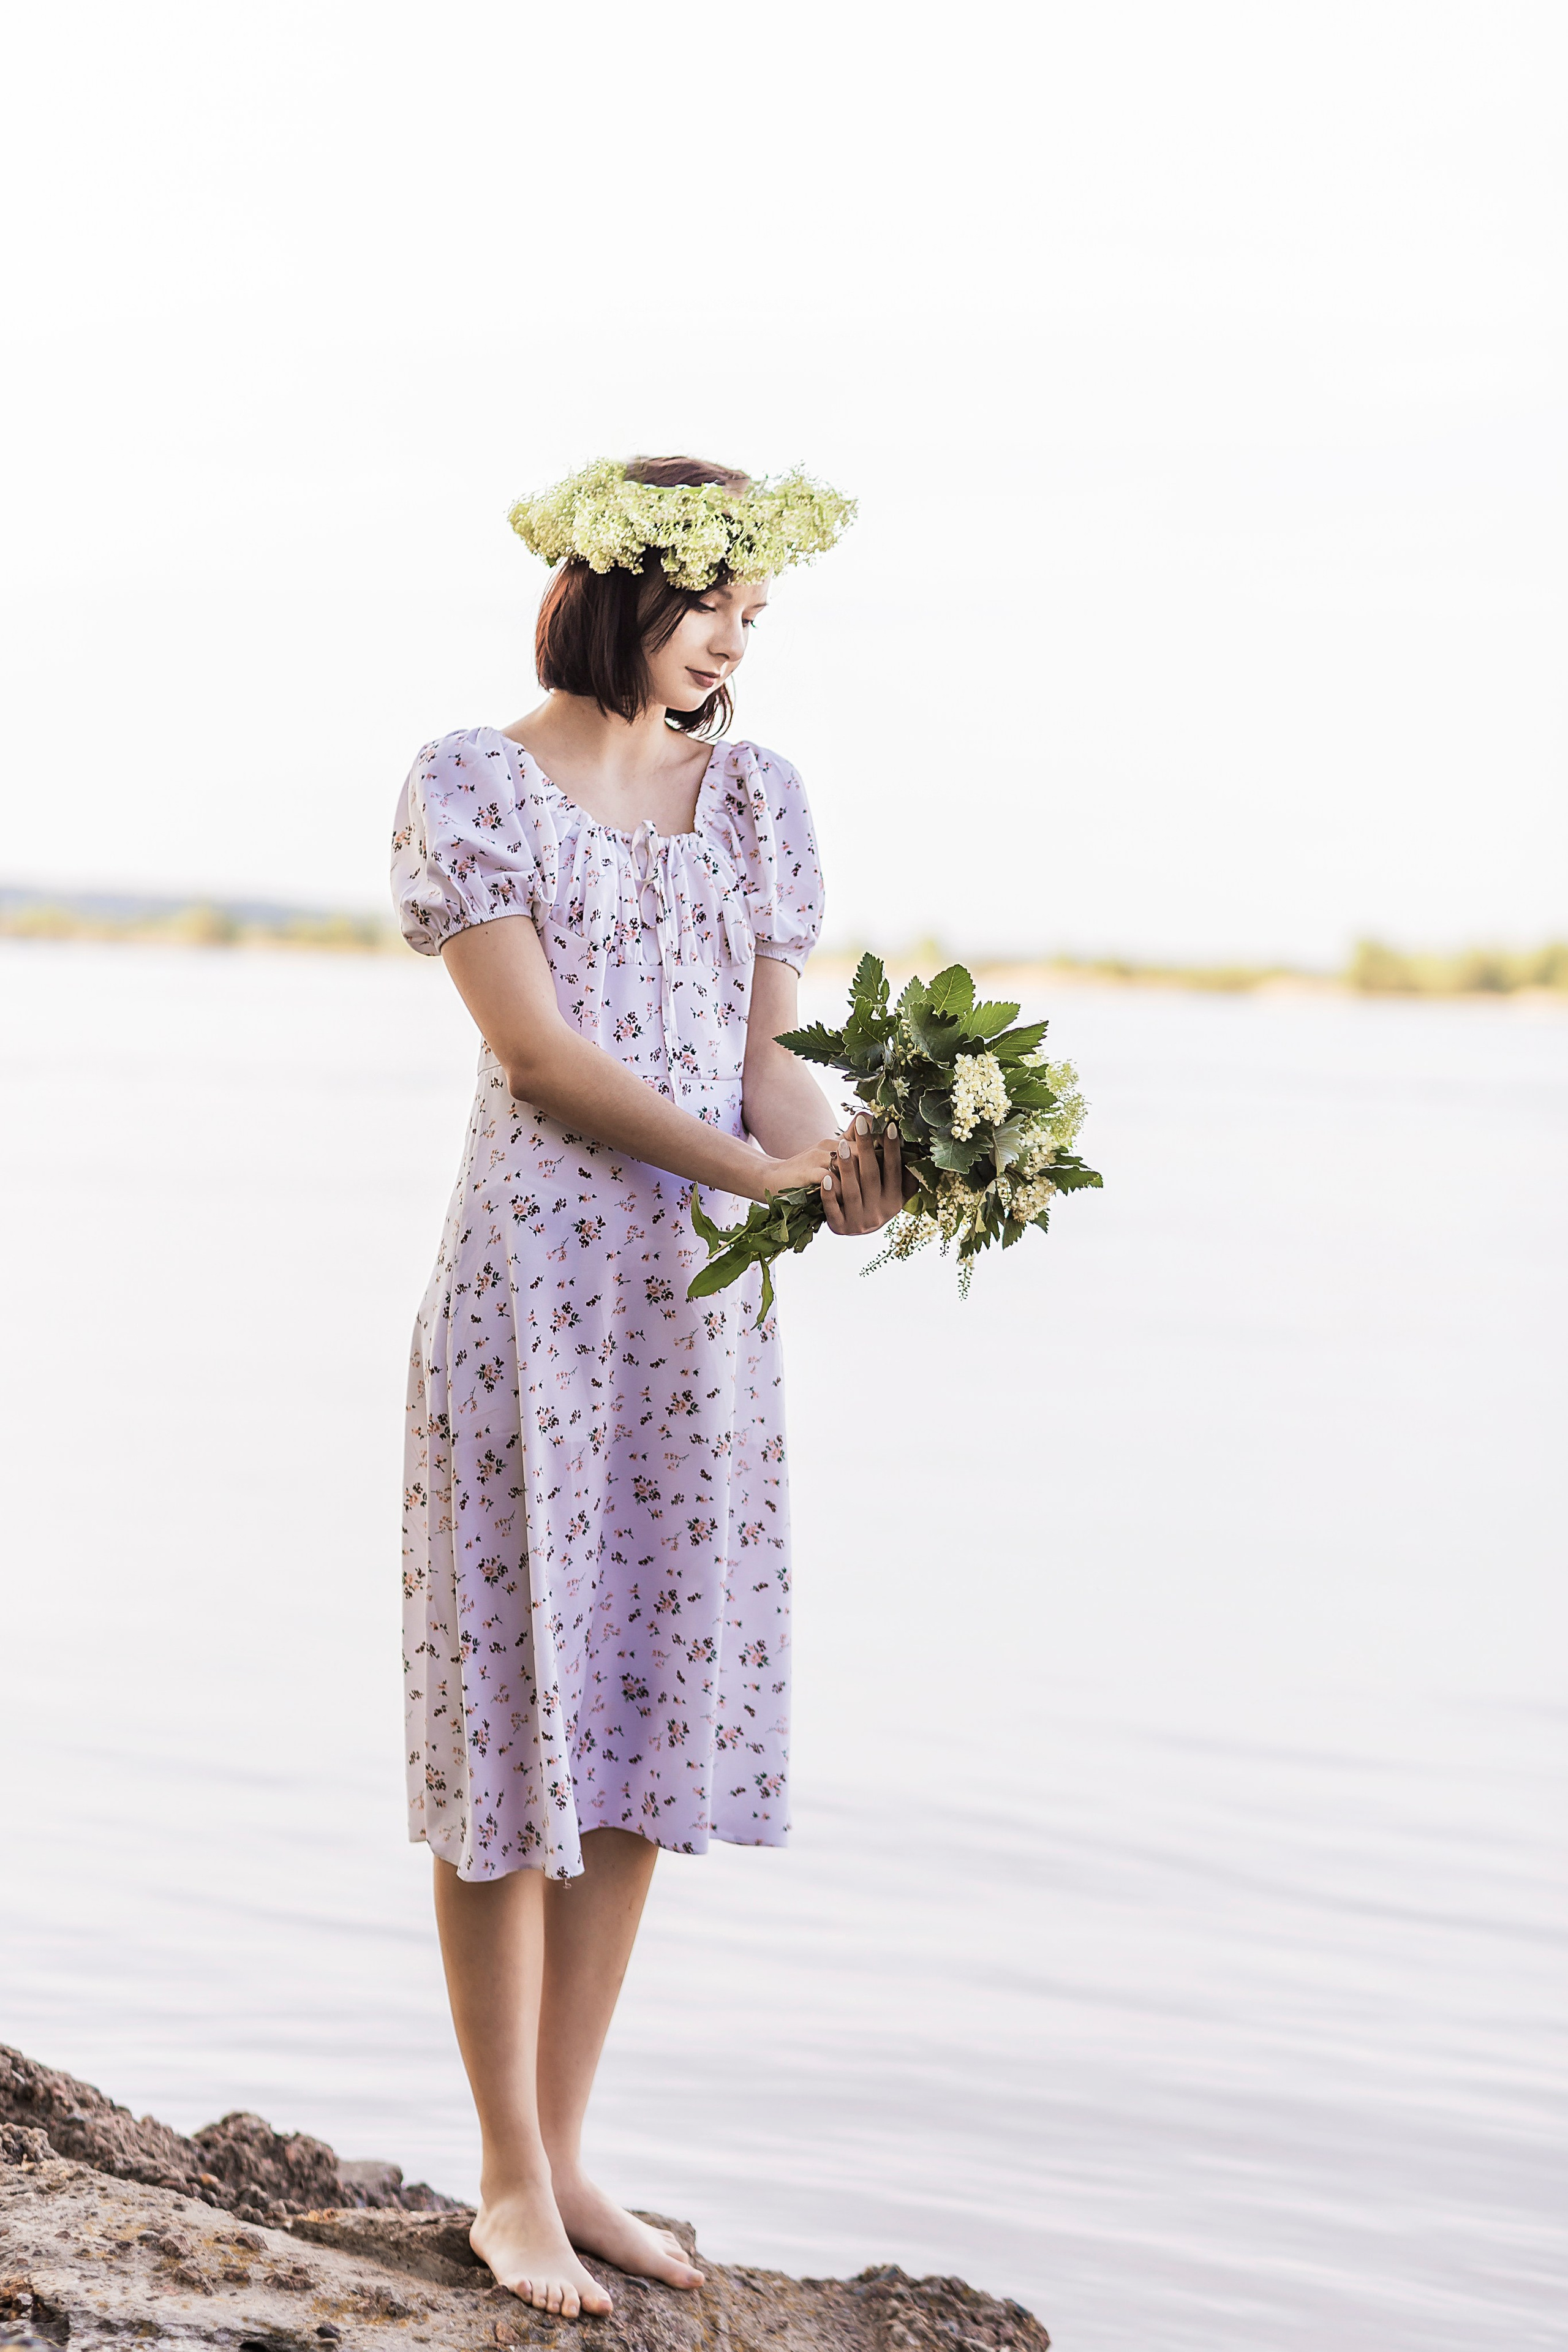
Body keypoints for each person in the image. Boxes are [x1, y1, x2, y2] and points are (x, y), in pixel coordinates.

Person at [390, 456, 904, 2319]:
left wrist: (847, 1165)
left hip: (697, 1325)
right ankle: (506, 2181)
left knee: (629, 1739)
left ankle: (573, 2152)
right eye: (715, 606)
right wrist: (751, 1170)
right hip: (530, 1311)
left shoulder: (757, 804)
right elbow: (534, 1060)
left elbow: (770, 1077)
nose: (733, 647)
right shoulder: (472, 784)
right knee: (506, 1740)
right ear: (627, 587)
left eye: (755, 620)